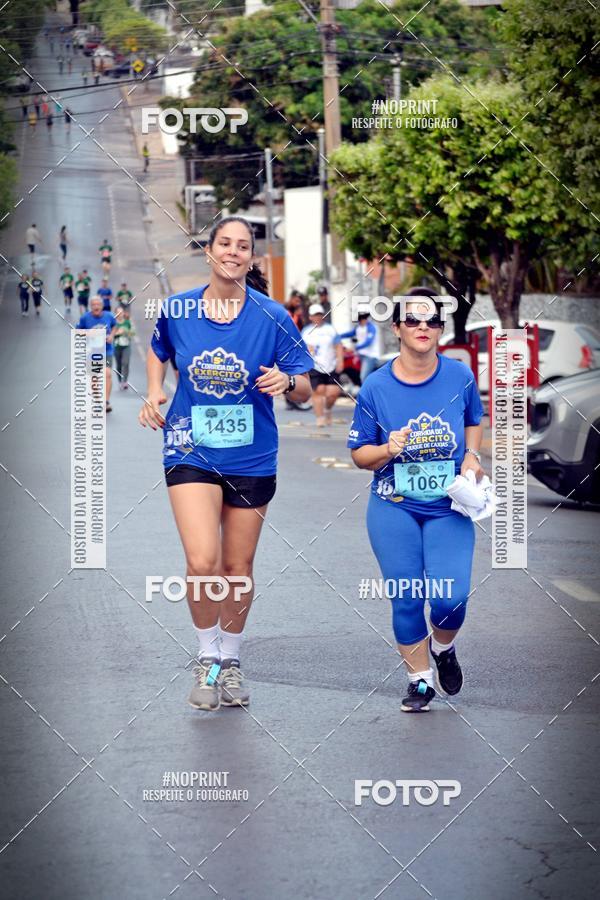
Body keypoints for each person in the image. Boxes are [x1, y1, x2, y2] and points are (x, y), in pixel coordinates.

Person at [139, 216, 312, 712]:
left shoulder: (274, 316)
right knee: (202, 561)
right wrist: (156, 389)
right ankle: (207, 657)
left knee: (237, 567)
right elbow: (158, 351)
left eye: (243, 246)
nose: (233, 252)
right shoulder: (178, 308)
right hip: (190, 448)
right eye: (224, 244)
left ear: (251, 257)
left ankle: (231, 660)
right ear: (209, 251)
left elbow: (305, 380)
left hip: (252, 454)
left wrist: (286, 382)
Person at [347, 287, 485, 714]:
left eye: (432, 321)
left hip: (448, 507)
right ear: (398, 328)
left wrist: (472, 456)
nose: (423, 327)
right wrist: (387, 449)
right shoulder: (376, 386)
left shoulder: (459, 376)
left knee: (450, 599)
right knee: (407, 596)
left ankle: (444, 648)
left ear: (440, 329)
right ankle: (419, 680)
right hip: (393, 506)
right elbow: (358, 455)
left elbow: (473, 421)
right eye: (414, 320)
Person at [301, 303, 344, 427]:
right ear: (310, 317)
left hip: (330, 364)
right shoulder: (306, 331)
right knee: (319, 391)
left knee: (333, 392)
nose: (317, 317)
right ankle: (320, 418)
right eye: (315, 315)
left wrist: (340, 361)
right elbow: (300, 348)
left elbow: (338, 345)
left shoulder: (330, 330)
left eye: (320, 315)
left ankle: (328, 409)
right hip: (314, 366)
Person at [77, 296, 117, 412]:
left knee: (107, 373)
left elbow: (114, 325)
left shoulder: (109, 316)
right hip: (92, 352)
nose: (96, 307)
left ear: (102, 306)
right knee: (95, 378)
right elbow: (77, 331)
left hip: (107, 350)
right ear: (90, 306)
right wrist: (90, 334)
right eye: (93, 305)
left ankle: (106, 402)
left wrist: (111, 336)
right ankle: (97, 400)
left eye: (98, 305)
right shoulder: (85, 318)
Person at [339, 310, 382, 384]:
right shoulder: (358, 327)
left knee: (363, 377)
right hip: (360, 355)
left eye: (364, 318)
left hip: (369, 356)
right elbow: (350, 334)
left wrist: (354, 348)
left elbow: (368, 342)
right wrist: (338, 336)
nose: (362, 320)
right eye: (360, 318)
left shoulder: (371, 328)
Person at [114, 305, 135, 389]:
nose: (120, 314)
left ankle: (125, 381)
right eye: (118, 312)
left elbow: (133, 333)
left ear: (123, 313)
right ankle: (120, 381)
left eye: (121, 312)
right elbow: (108, 335)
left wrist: (125, 331)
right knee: (119, 365)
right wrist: (117, 333)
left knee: (125, 363)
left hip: (126, 346)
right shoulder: (113, 323)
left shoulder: (127, 322)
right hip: (116, 346)